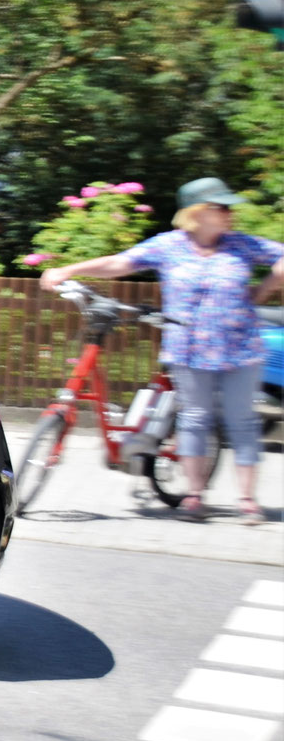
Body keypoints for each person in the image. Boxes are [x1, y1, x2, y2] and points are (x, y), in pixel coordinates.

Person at [40, 177, 284, 524]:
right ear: (197, 213)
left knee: (241, 421)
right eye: (222, 207)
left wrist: (267, 287)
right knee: (194, 420)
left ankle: (247, 501)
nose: (230, 213)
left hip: (240, 349)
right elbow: (121, 264)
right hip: (188, 350)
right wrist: (68, 269)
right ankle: (194, 496)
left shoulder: (242, 244)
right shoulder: (168, 246)